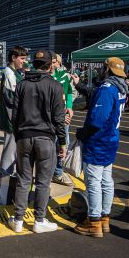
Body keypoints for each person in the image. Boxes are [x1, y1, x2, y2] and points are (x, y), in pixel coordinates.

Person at [8, 50, 66, 233]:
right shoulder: (55, 86)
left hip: (24, 137)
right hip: (45, 138)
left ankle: (18, 220)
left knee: (23, 180)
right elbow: (59, 118)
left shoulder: (22, 84)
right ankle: (39, 220)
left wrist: (18, 136)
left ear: (34, 64)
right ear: (50, 66)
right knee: (43, 182)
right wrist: (62, 142)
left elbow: (15, 115)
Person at [74, 57, 127, 237]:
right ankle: (104, 218)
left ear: (107, 69)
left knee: (94, 182)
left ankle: (94, 221)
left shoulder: (107, 89)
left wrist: (83, 133)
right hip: (111, 139)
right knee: (106, 180)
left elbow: (97, 119)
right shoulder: (121, 88)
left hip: (99, 141)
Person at [0, 46, 28, 205]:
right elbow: (12, 99)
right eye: (22, 58)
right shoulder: (8, 73)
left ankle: (6, 190)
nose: (24, 61)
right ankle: (2, 193)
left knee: (12, 157)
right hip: (12, 122)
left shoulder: (16, 73)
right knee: (8, 158)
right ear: (13, 57)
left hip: (15, 121)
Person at [50, 53, 76, 184]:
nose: (52, 64)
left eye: (55, 62)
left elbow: (69, 92)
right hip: (50, 118)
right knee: (50, 145)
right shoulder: (46, 76)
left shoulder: (64, 76)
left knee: (63, 143)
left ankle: (58, 172)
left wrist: (69, 107)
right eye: (51, 62)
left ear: (59, 63)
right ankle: (48, 172)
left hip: (63, 117)